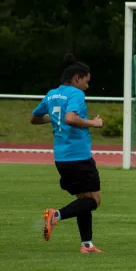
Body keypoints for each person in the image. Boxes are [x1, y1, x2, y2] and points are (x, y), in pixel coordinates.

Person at [30, 53, 104, 253]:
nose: (87, 87)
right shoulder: (76, 94)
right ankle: (56, 215)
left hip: (61, 158)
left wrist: (55, 117)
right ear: (77, 78)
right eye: (86, 82)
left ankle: (86, 244)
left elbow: (34, 118)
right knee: (94, 200)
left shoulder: (52, 94)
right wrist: (94, 123)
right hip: (78, 156)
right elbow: (71, 118)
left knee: (83, 199)